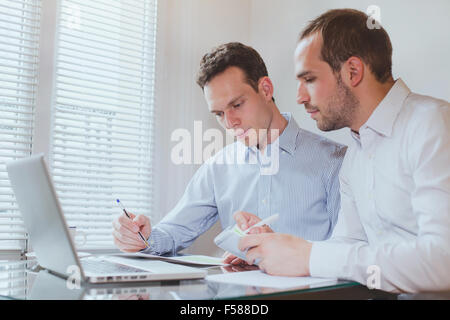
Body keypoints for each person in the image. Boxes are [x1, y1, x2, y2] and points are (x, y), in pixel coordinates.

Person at [238, 9, 450, 293]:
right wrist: (275, 250)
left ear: (352, 71)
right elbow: (348, 247)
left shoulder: (433, 124)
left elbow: (443, 262)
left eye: (309, 79)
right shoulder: (355, 153)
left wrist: (310, 257)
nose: (299, 96)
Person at [112, 42, 346, 260]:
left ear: (265, 89)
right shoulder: (218, 167)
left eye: (236, 105)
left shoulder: (334, 161)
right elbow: (173, 233)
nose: (230, 122)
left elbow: (348, 250)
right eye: (219, 114)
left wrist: (284, 251)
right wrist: (141, 238)